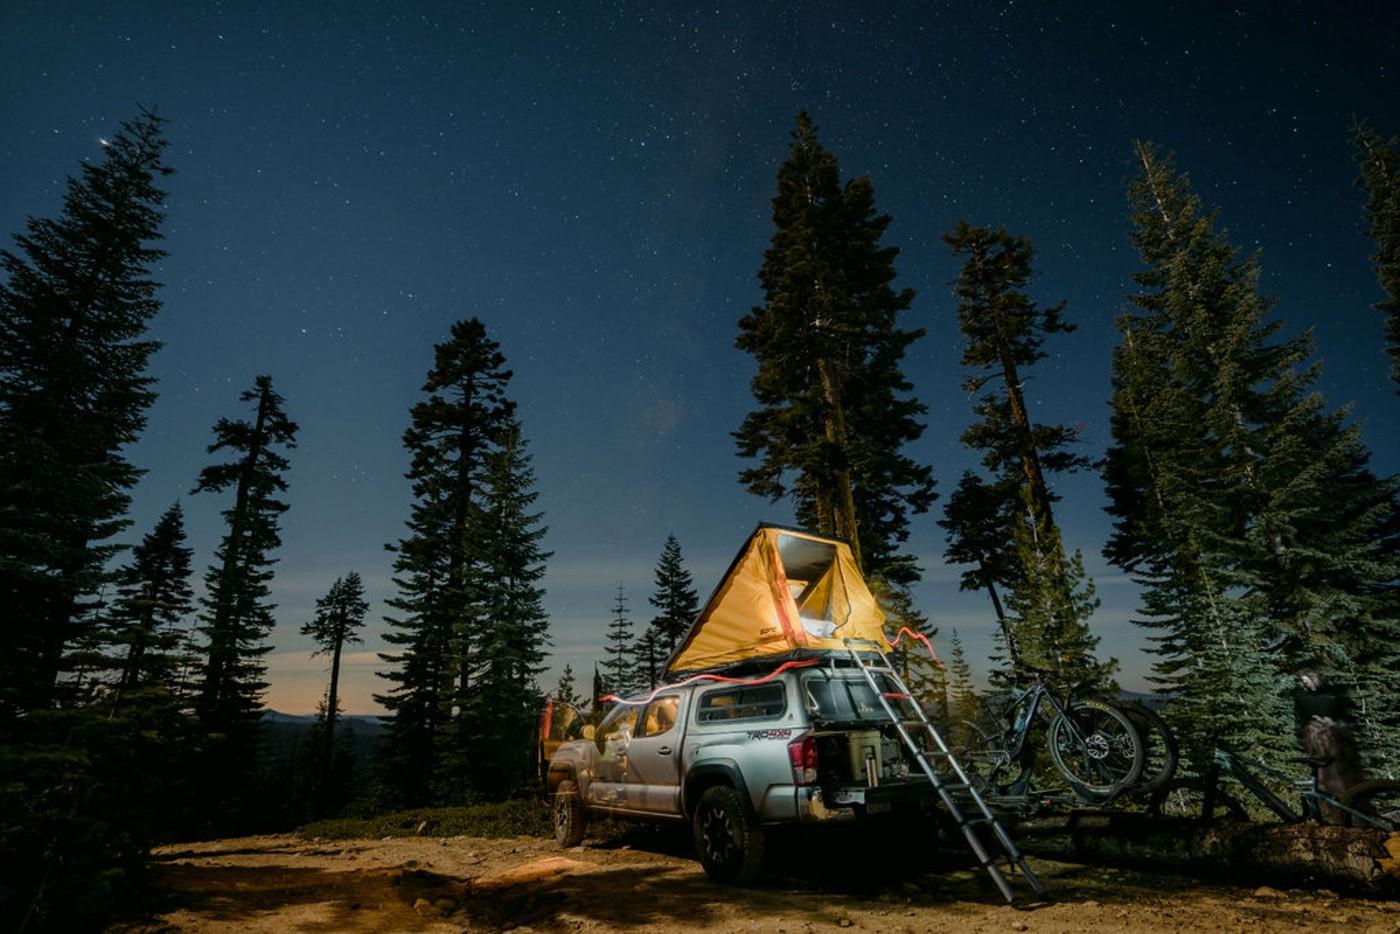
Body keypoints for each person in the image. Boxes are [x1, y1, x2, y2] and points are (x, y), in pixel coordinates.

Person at [1293, 668, 1364, 823]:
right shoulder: (1305, 696)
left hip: (1334, 740)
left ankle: (1350, 815)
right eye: (1303, 682)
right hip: (1321, 740)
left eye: (1306, 681)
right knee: (1327, 779)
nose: (1305, 685)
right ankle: (1337, 815)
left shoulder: (1330, 696)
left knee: (1341, 778)